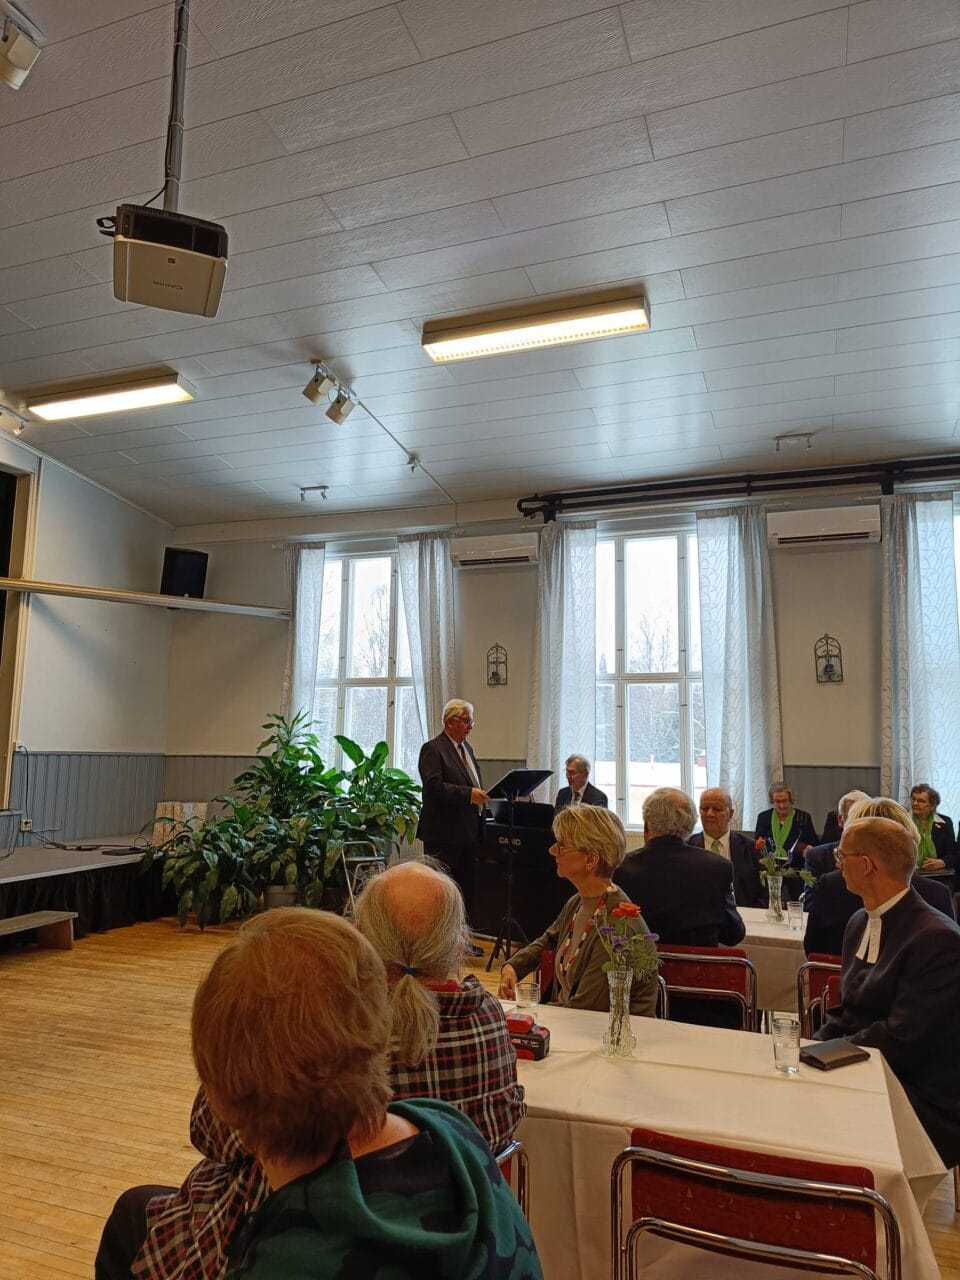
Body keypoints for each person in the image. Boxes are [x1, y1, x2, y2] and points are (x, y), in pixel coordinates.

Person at [97, 865, 523, 1280]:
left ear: (362, 938)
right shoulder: (487, 1021)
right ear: (458, 939)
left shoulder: (336, 1036)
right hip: (446, 1228)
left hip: (291, 1227)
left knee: (133, 1212)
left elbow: (217, 1133)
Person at [814, 818, 960, 1167]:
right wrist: (811, 1048)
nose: (837, 863)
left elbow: (905, 1039)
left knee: (813, 1123)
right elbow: (849, 1010)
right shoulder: (860, 921)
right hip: (868, 1064)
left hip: (919, 1093)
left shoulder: (937, 938)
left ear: (867, 865)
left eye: (842, 855)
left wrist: (828, 1056)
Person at [353, 860, 524, 1153]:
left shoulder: (349, 1035)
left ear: (362, 939)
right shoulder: (489, 1013)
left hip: (378, 1183)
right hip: (480, 1183)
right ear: (460, 941)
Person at [498, 804, 657, 1016]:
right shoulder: (579, 902)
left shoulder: (616, 928)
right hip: (576, 1023)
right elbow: (548, 940)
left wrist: (529, 1013)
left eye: (562, 846)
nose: (552, 851)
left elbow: (586, 1008)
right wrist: (513, 967)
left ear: (590, 859)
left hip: (600, 1030)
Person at [804, 798, 955, 956]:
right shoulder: (937, 894)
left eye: (843, 854)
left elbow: (814, 951)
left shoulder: (832, 885)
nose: (839, 864)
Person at [615, 787, 746, 947]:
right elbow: (733, 935)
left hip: (641, 960)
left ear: (647, 825)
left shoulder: (620, 868)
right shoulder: (717, 867)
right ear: (690, 825)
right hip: (698, 961)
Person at [416, 698, 489, 938]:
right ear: (451, 721)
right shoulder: (433, 748)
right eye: (467, 721)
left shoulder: (467, 749)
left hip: (468, 833)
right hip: (444, 835)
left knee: (465, 890)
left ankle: (461, 940)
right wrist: (468, 794)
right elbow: (433, 788)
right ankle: (438, 941)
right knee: (443, 891)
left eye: (472, 722)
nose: (470, 727)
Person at [687, 786, 766, 907]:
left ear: (731, 814)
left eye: (717, 809)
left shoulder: (751, 848)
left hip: (743, 913)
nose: (710, 814)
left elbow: (765, 893)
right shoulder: (687, 847)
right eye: (704, 808)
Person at [803, 790, 871, 879]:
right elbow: (813, 888)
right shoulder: (817, 856)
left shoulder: (881, 854)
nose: (860, 824)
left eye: (866, 817)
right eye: (854, 818)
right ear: (840, 820)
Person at [753, 781, 819, 859]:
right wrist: (759, 844)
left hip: (797, 863)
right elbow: (757, 843)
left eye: (784, 801)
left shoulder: (803, 817)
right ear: (772, 801)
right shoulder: (763, 817)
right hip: (770, 863)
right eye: (777, 801)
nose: (782, 805)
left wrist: (806, 849)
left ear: (791, 800)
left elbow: (814, 844)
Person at [909, 783, 957, 872]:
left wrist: (942, 862)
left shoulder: (945, 822)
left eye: (921, 801)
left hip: (937, 872)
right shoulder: (904, 820)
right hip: (909, 872)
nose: (915, 803)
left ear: (932, 806)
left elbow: (953, 853)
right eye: (913, 799)